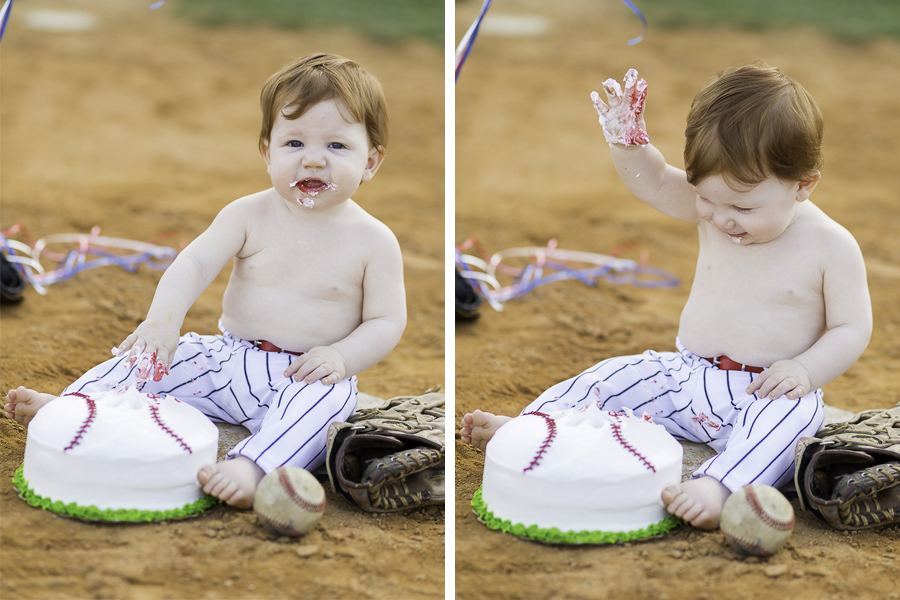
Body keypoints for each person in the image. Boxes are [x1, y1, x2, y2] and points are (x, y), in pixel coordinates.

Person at [460, 62, 872, 530]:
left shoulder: (831, 246)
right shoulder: (717, 210)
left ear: (804, 185)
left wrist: (804, 370)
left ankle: (718, 485)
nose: (720, 219)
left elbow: (851, 327)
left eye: (742, 206)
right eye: (705, 198)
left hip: (765, 392)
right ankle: (536, 427)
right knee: (610, 378)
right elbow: (654, 180)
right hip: (683, 378)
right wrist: (626, 142)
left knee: (790, 425)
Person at [4, 53, 407, 509]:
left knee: (326, 409)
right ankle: (75, 406)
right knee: (147, 358)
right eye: (294, 143)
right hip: (225, 359)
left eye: (337, 146)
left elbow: (385, 321)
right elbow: (192, 265)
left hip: (304, 374)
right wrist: (162, 323)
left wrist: (340, 356)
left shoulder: (374, 241)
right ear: (267, 152)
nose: (313, 160)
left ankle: (251, 465)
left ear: (371, 161)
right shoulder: (248, 214)